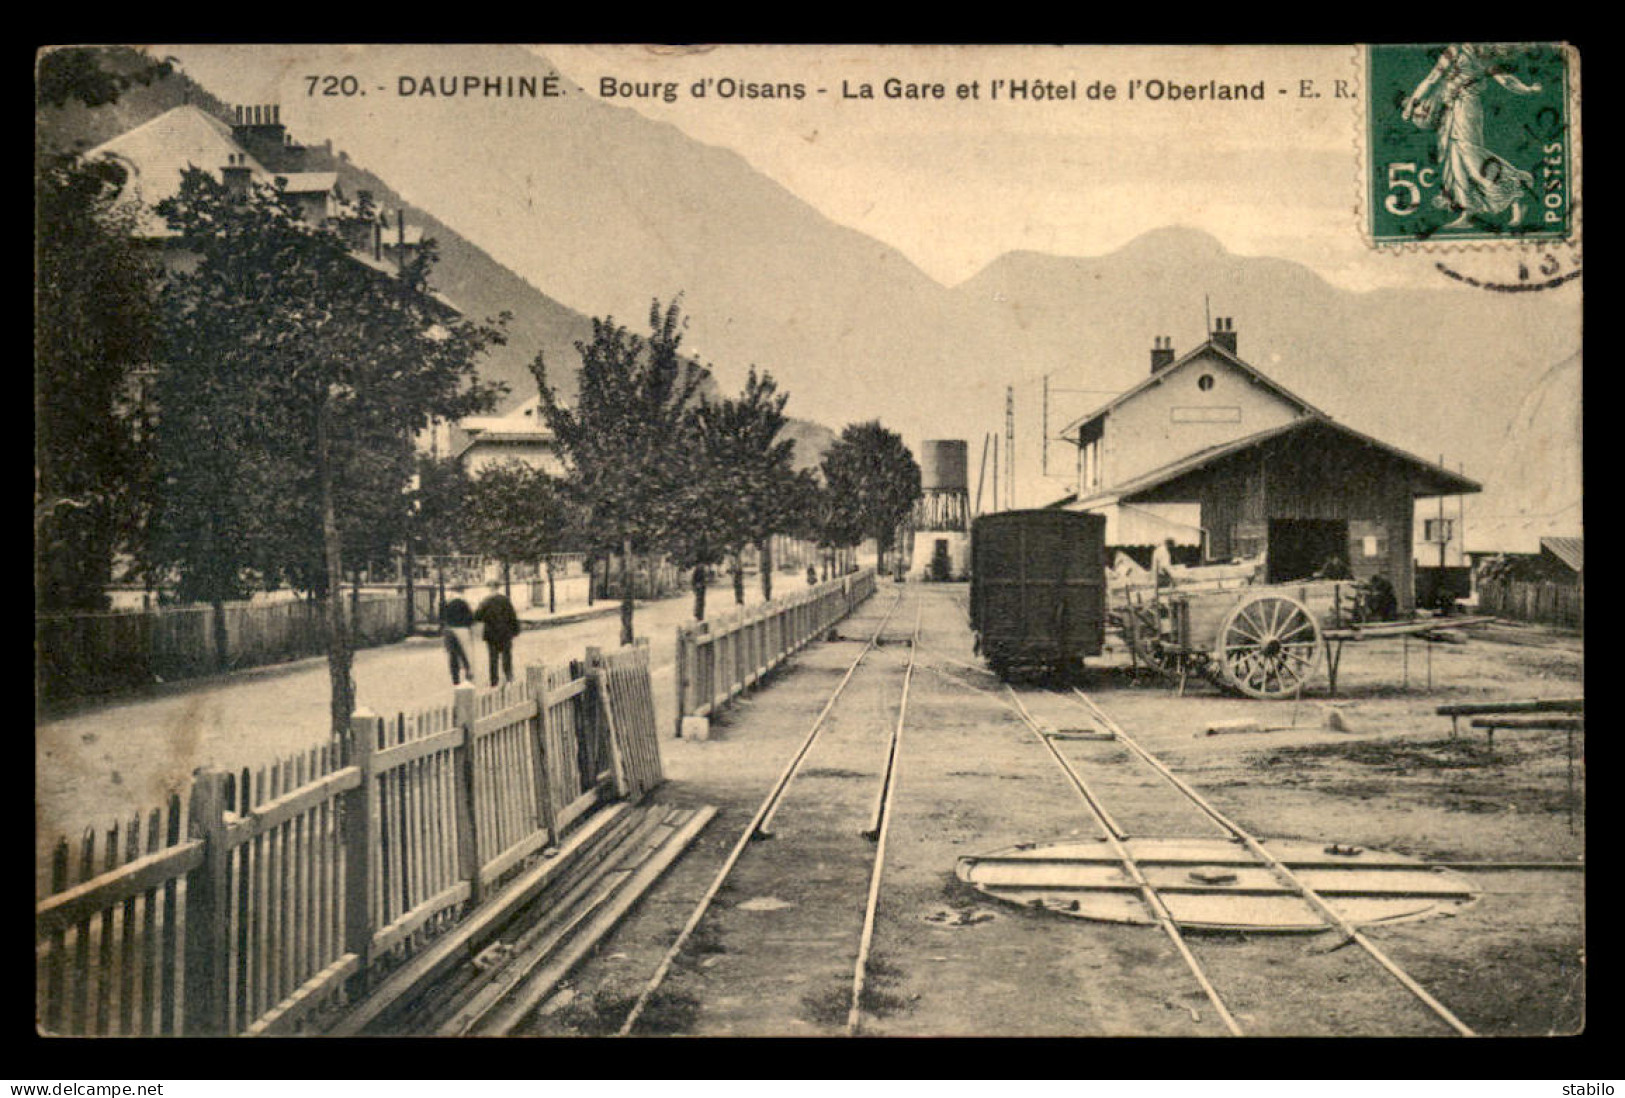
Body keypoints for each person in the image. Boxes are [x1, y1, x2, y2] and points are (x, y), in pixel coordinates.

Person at [1403, 43, 1543, 230]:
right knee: (1455, 160)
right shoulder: (1455, 50)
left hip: (1467, 107)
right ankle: (1469, 210)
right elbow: (1431, 79)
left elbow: (1506, 80)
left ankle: (1517, 189)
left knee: (1471, 155)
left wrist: (1528, 89)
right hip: (1449, 108)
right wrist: (1411, 104)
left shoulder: (1486, 54)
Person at [474, 585, 521, 687]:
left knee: (493, 658)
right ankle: (509, 677)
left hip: (491, 635)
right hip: (505, 633)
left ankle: (494, 681)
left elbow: (477, 617)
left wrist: (481, 608)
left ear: (490, 589)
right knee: (507, 655)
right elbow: (512, 616)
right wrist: (515, 630)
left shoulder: (485, 601)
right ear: (498, 588)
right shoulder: (505, 600)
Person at [440, 586, 475, 686]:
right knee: (465, 653)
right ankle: (468, 674)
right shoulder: (463, 603)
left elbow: (442, 617)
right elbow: (471, 618)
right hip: (462, 629)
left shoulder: (447, 603)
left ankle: (455, 678)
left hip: (449, 630)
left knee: (452, 654)